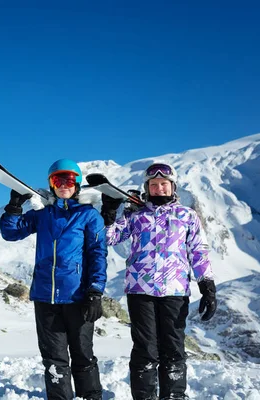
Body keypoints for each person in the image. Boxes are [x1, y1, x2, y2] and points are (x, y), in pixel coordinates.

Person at [98, 162, 217, 400]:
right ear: (147, 187)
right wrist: (110, 213)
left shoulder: (187, 216)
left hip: (175, 291)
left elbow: (198, 251)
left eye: (164, 184)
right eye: (154, 184)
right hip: (140, 290)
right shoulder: (136, 215)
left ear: (173, 187)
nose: (159, 188)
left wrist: (207, 286)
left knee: (173, 348)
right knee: (145, 349)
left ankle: (173, 396)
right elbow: (109, 238)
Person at [0, 159, 107, 400]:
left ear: (77, 184)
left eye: (68, 180)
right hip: (45, 297)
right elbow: (11, 232)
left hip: (78, 296)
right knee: (54, 358)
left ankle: (91, 396)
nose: (63, 185)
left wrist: (95, 291)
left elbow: (98, 254)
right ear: (51, 184)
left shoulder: (89, 216)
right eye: (57, 180)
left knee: (83, 353)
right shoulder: (43, 215)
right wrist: (14, 206)